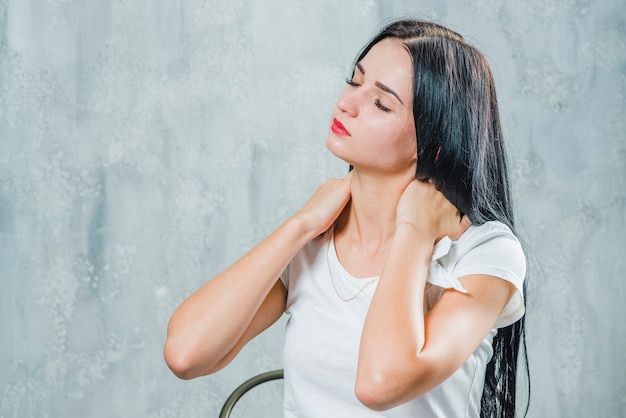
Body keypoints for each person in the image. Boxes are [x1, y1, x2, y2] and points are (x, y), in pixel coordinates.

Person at [164, 18, 528, 418]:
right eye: (355, 82)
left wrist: (416, 231)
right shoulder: (315, 239)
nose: (346, 103)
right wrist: (300, 225)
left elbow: (379, 384)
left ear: (434, 146)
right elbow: (186, 354)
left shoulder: (483, 253)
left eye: (381, 103)